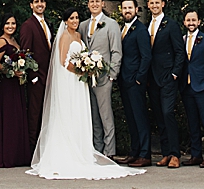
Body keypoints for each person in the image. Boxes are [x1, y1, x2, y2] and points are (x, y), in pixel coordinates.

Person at [26, 9, 143, 180]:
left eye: (77, 17)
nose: (75, 20)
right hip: (69, 81)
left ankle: (82, 150)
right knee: (68, 114)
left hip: (80, 83)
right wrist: (83, 70)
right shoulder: (65, 36)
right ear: (65, 21)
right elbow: (63, 62)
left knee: (79, 115)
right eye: (71, 18)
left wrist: (88, 68)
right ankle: (66, 153)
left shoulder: (79, 36)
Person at [143, 0, 185, 168]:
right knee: (159, 116)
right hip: (152, 78)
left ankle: (175, 154)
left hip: (168, 77)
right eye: (151, 3)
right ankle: (166, 153)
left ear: (163, 4)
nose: (154, 5)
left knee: (168, 114)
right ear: (148, 5)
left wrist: (175, 73)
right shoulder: (146, 26)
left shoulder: (171, 25)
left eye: (157, 3)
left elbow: (179, 51)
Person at [82, 0, 121, 158]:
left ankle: (109, 151)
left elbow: (116, 51)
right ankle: (97, 150)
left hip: (104, 77)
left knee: (106, 116)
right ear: (88, 4)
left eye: (97, 1)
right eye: (92, 2)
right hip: (86, 79)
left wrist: (112, 74)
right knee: (93, 116)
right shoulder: (83, 25)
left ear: (103, 4)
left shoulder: (111, 25)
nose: (95, 4)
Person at [179, 9, 204, 167]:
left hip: (202, 86)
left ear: (199, 22)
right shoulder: (181, 39)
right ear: (184, 23)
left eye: (194, 20)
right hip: (186, 87)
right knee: (192, 122)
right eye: (188, 20)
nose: (191, 23)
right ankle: (196, 155)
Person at [0, 15, 31, 167]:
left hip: (16, 84)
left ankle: (17, 155)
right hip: (7, 85)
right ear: (2, 26)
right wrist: (11, 72)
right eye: (7, 23)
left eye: (13, 23)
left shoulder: (14, 40)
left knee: (16, 117)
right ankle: (7, 155)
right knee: (9, 119)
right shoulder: (2, 41)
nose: (10, 26)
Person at [16, 0, 52, 154]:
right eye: (36, 2)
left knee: (44, 114)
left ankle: (43, 147)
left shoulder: (47, 24)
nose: (40, 4)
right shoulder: (28, 25)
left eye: (42, 1)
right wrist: (32, 76)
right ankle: (31, 149)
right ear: (31, 5)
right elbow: (25, 53)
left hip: (48, 76)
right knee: (34, 113)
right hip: (36, 78)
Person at [118, 0, 151, 166]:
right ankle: (134, 151)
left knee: (140, 117)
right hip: (124, 81)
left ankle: (145, 154)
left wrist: (139, 78)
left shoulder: (141, 30)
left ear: (136, 9)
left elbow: (146, 56)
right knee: (131, 118)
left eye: (130, 7)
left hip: (135, 82)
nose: (127, 10)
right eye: (124, 8)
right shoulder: (123, 29)